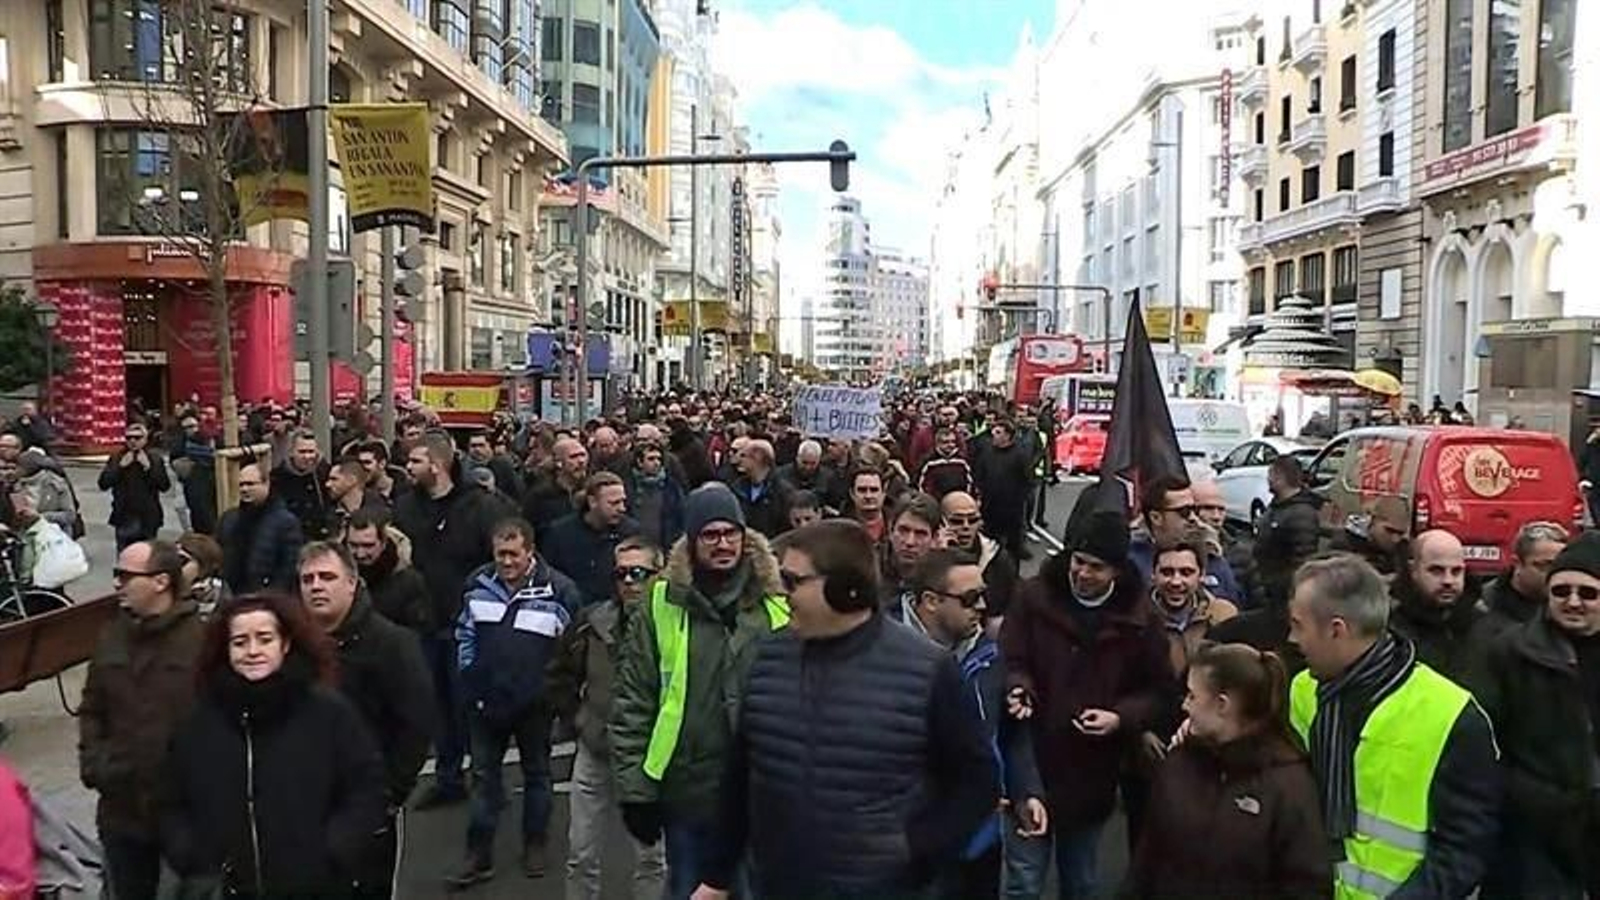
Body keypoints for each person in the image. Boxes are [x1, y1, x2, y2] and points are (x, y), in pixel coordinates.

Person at [693, 522, 998, 900]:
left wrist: (919, 850)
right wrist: (716, 876)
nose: (782, 593)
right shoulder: (769, 657)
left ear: (845, 591)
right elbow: (741, 776)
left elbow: (978, 780)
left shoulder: (926, 669)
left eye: (793, 581)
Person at [1286, 555, 1501, 900]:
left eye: (1298, 625)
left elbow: (1464, 847)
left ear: (1336, 630)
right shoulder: (1303, 690)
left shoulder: (1452, 713)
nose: (1292, 639)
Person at [610, 483, 787, 899]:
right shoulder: (660, 603)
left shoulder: (778, 601)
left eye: (731, 533)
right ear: (692, 541)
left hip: (765, 793)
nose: (723, 544)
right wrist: (636, 791)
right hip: (689, 791)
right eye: (711, 534)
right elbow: (634, 700)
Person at [161, 592, 387, 898]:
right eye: (240, 642)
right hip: (227, 888)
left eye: (264, 639)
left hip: (317, 887)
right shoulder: (199, 723)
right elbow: (171, 800)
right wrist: (190, 855)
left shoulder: (327, 713)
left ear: (285, 644)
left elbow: (365, 787)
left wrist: (335, 849)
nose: (253, 651)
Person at [999, 509, 1173, 899]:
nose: (1082, 573)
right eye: (1078, 561)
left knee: (1081, 882)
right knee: (1023, 882)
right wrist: (1019, 687)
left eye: (1095, 567)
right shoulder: (1033, 597)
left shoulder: (1140, 618)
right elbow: (1012, 658)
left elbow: (1159, 691)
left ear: (1116, 571)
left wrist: (1120, 718)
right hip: (1032, 761)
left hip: (1091, 772)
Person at [1122, 643, 1332, 900]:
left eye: (1192, 696)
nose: (1185, 706)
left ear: (1222, 704)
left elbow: (1305, 885)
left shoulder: (1288, 785)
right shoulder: (1178, 764)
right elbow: (1147, 861)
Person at [896, 548, 1047, 900]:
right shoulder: (882, 652)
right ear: (931, 601)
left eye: (984, 595)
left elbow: (1010, 732)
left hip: (980, 841)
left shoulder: (990, 653)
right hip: (914, 844)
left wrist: (1026, 790)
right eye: (970, 598)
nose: (982, 606)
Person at [298, 541, 437, 900]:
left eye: (327, 577)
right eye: (307, 579)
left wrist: (388, 795)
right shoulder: (291, 646)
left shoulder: (392, 644)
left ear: (352, 583)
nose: (316, 586)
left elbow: (416, 724)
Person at [448, 518, 583, 886]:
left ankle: (535, 843)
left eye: (513, 555)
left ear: (530, 552)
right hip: (485, 702)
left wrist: (555, 693)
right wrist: (469, 678)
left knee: (537, 774)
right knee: (483, 777)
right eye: (499, 555)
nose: (505, 563)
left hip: (535, 705)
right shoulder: (477, 585)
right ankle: (478, 855)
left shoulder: (559, 590)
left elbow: (572, 647)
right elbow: (465, 634)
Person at [1476, 532, 1600, 899]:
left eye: (1588, 593)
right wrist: (1532, 800)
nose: (1573, 602)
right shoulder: (1508, 653)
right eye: (1561, 591)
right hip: (1531, 840)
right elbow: (1483, 744)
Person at [78, 540, 202, 900]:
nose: (116, 582)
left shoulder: (199, 641)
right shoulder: (112, 635)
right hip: (121, 811)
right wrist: (95, 762)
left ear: (161, 581)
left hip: (182, 813)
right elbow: (91, 707)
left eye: (126, 575)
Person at [546, 537, 669, 900]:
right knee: (580, 853)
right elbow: (559, 675)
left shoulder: (676, 626)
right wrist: (581, 720)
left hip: (652, 757)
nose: (629, 582)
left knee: (653, 857)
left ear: (659, 575)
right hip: (596, 750)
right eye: (621, 574)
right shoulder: (592, 621)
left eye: (639, 573)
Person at [393, 432, 499, 809]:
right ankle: (448, 777)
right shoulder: (405, 508)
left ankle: (488, 782)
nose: (409, 467)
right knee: (437, 706)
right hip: (424, 621)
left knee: (472, 706)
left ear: (437, 465)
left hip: (468, 623)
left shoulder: (480, 507)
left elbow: (497, 559)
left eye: (416, 461)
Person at [1388, 530, 1494, 686]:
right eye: (1436, 571)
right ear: (1413, 570)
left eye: (1456, 571)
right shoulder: (1390, 628)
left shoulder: (1485, 626)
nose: (1448, 580)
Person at [1129, 475, 1244, 605]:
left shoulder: (1213, 558)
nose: (1193, 518)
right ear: (1156, 517)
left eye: (1194, 510)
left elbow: (1233, 609)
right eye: (1184, 512)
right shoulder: (1130, 563)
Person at [542, 472, 641, 607]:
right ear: (593, 501)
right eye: (614, 503)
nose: (622, 508)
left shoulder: (631, 532)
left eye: (623, 501)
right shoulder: (559, 533)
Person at [217, 462, 304, 595]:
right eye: (241, 485)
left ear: (266, 484)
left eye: (250, 484)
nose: (245, 489)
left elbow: (289, 568)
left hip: (268, 598)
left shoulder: (286, 522)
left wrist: (272, 597)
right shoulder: (229, 519)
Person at [344, 510, 432, 635]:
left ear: (383, 543)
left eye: (368, 546)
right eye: (353, 545)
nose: (360, 554)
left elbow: (420, 635)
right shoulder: (337, 579)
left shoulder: (409, 583)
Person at [1252, 456, 1325, 607]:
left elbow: (1303, 562)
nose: (1268, 479)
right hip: (1266, 591)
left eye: (1270, 475)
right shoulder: (1277, 506)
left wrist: (1276, 590)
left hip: (1280, 598)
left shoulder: (1302, 514)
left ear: (1280, 478)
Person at [941, 491, 1020, 626]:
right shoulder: (931, 555)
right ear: (942, 522)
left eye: (972, 520)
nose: (966, 526)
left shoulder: (998, 559)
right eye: (956, 521)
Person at [1481, 520, 1569, 637]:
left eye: (1560, 566)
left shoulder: (1570, 603)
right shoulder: (1485, 605)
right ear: (1517, 563)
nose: (1554, 574)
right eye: (1545, 566)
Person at [98, 421, 170, 550]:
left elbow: (164, 486)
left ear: (145, 439)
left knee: (147, 556)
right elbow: (103, 483)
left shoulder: (154, 458)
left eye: (137, 438)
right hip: (124, 516)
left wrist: (149, 468)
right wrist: (120, 467)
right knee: (125, 556)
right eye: (129, 438)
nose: (133, 441)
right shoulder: (117, 457)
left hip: (148, 517)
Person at [972, 419, 1033, 562]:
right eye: (994, 431)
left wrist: (1019, 498)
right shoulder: (987, 453)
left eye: (998, 432)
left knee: (1013, 546)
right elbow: (979, 474)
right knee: (989, 543)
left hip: (1011, 509)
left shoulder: (1019, 455)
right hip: (989, 507)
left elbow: (1027, 479)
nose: (994, 434)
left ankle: (1012, 575)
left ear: (1008, 436)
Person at [880, 492, 943, 608]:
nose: (910, 542)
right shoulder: (869, 570)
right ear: (890, 530)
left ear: (935, 538)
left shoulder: (944, 579)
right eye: (903, 530)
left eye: (920, 534)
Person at [274, 429, 334, 540]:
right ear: (291, 452)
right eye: (302, 452)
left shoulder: (326, 474)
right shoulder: (277, 479)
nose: (307, 457)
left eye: (311, 452)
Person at [626, 441, 686, 549]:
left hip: (664, 547)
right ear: (639, 462)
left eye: (659, 459)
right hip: (635, 547)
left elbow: (681, 517)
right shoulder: (628, 486)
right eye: (651, 459)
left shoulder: (671, 487)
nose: (656, 463)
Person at [729, 438, 791, 539]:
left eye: (743, 456)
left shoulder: (783, 492)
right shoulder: (737, 487)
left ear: (758, 458)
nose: (739, 460)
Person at [919, 427, 974, 500]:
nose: (950, 445)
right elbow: (921, 486)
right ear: (937, 443)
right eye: (946, 442)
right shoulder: (929, 462)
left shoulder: (962, 461)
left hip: (959, 502)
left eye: (953, 442)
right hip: (937, 504)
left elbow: (970, 482)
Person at [843, 467, 889, 545]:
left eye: (874, 490)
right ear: (852, 494)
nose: (868, 496)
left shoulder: (896, 524)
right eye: (862, 490)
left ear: (883, 493)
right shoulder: (840, 528)